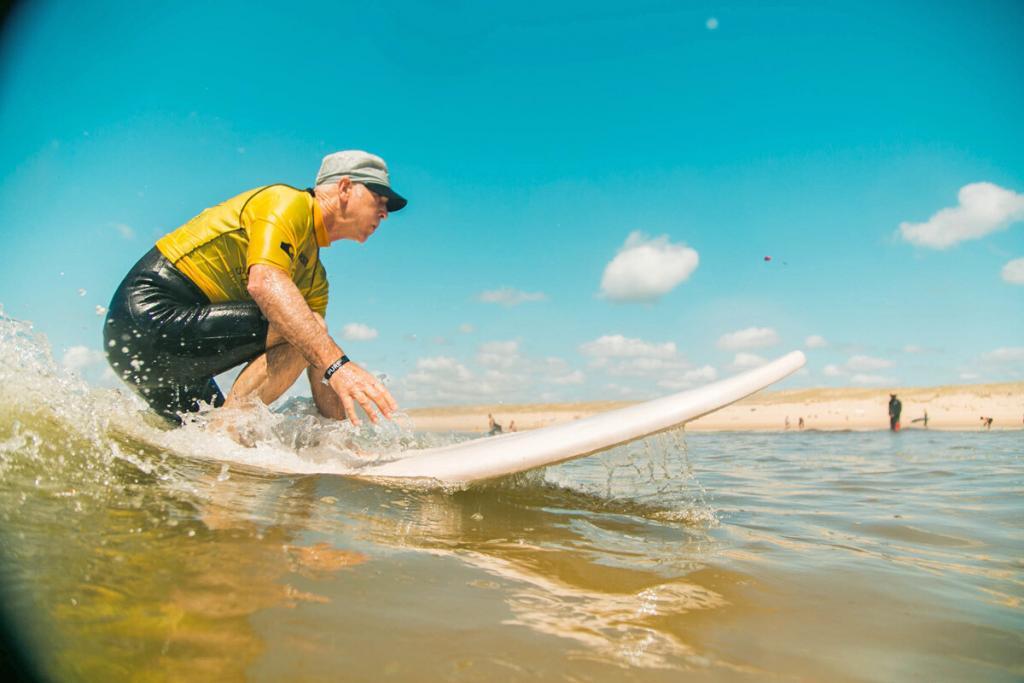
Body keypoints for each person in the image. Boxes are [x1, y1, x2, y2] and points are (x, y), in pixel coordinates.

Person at [103, 150, 405, 427]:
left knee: (199, 439)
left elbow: (316, 354)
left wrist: (340, 443)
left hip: (172, 358)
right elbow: (264, 282)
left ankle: (221, 441)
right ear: (344, 188)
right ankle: (229, 431)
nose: (385, 212)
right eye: (379, 197)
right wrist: (340, 366)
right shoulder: (288, 202)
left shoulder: (315, 278)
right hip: (146, 317)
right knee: (305, 327)